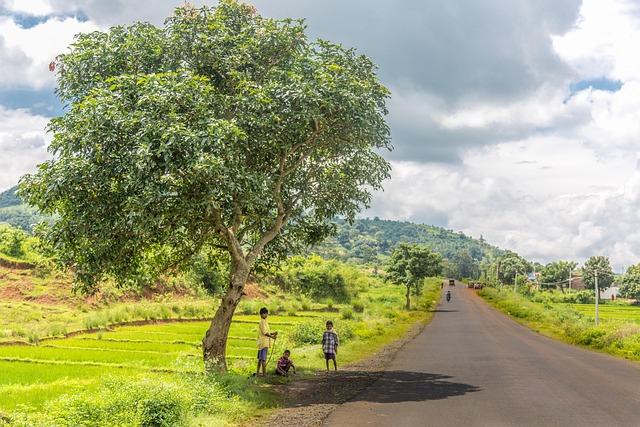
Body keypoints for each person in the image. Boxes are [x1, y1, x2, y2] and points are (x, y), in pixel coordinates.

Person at [256, 307, 277, 377]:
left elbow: (267, 332)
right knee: (263, 359)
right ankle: (264, 375)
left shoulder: (265, 322)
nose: (266, 315)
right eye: (265, 314)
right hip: (263, 343)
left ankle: (258, 374)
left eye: (266, 314)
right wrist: (272, 337)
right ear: (262, 314)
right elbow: (265, 333)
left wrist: (273, 333)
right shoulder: (262, 322)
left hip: (263, 343)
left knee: (260, 359)